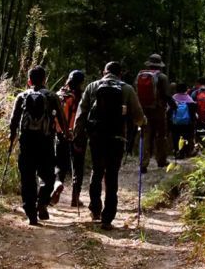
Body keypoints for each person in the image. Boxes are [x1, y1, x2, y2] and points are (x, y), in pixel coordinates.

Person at [74, 61, 145, 230]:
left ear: (103, 72)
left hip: (96, 137)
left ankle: (95, 209)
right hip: (117, 137)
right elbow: (138, 115)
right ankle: (108, 217)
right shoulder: (126, 89)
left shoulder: (92, 87)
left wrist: (78, 135)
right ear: (120, 74)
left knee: (97, 171)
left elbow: (81, 113)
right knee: (112, 175)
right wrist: (143, 123)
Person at [8, 65, 69, 226]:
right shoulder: (51, 96)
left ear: (29, 81)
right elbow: (62, 119)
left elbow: (13, 121)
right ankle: (42, 203)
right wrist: (66, 135)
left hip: (26, 142)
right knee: (48, 176)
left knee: (27, 178)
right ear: (44, 80)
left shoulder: (22, 96)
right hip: (45, 142)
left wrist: (12, 138)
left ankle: (31, 214)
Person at [52, 69, 87, 207]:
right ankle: (75, 197)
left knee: (60, 164)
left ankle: (57, 183)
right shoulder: (79, 97)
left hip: (60, 135)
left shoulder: (59, 94)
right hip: (77, 136)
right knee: (77, 167)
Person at [134, 53, 172, 174]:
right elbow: (166, 95)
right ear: (159, 65)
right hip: (159, 110)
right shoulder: (162, 77)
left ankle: (143, 163)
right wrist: (173, 105)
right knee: (160, 136)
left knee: (145, 135)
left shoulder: (140, 75)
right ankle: (161, 160)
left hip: (144, 110)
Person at [169, 82, 196, 158]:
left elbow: (169, 111)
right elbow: (193, 112)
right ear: (186, 89)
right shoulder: (189, 99)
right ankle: (187, 152)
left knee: (176, 137)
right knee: (187, 137)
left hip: (175, 123)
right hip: (187, 123)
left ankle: (177, 152)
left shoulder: (173, 98)